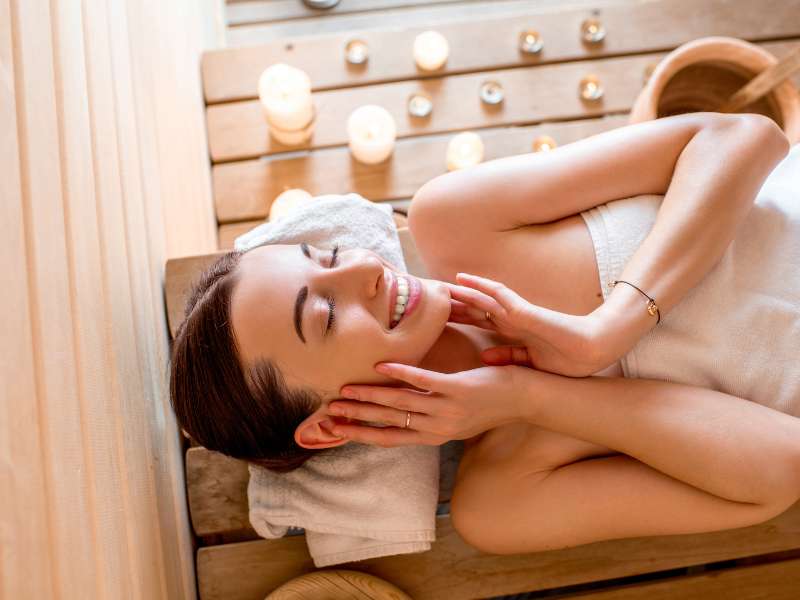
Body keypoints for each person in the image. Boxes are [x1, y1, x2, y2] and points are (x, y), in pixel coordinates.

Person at [169, 111, 800, 553]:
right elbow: (784, 469)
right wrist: (531, 395)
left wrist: (609, 331)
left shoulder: (458, 221)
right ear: (330, 424)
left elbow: (742, 137)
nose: (367, 267)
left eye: (328, 258)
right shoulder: (503, 502)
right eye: (326, 316)